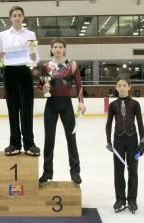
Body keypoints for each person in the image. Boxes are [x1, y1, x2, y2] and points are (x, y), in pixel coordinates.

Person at [38, 38, 86, 185]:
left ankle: (75, 172)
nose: (58, 49)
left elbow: (79, 84)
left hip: (66, 104)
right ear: (51, 49)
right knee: (49, 139)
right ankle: (47, 172)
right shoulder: (46, 66)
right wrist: (43, 89)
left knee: (71, 139)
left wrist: (81, 102)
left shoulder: (72, 65)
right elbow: (40, 85)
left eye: (60, 47)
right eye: (55, 47)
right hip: (51, 104)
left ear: (65, 49)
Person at [0, 6, 40, 156]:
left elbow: (35, 55)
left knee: (27, 108)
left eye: (20, 15)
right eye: (15, 15)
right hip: (9, 72)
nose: (17, 17)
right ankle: (14, 143)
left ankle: (29, 143)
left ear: (23, 17)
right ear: (10, 18)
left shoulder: (30, 34)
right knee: (13, 109)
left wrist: (34, 60)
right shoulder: (3, 35)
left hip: (25, 71)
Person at [105, 74, 144, 214]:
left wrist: (142, 142)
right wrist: (108, 140)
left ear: (129, 87)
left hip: (133, 141)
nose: (122, 88)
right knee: (118, 170)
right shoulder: (113, 105)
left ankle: (132, 200)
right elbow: (109, 123)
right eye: (119, 85)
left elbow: (140, 123)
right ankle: (120, 199)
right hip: (118, 141)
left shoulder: (135, 104)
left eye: (124, 85)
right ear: (116, 87)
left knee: (133, 170)